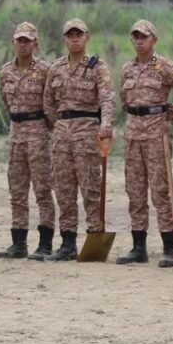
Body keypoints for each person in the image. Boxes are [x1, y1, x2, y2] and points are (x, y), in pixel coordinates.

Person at [42, 18, 115, 261]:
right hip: (62, 134)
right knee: (64, 189)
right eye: (70, 35)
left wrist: (105, 124)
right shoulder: (56, 68)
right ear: (64, 39)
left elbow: (107, 98)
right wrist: (60, 124)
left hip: (87, 132)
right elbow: (48, 103)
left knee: (90, 188)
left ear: (87, 37)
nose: (74, 39)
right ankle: (67, 243)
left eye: (79, 34)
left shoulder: (97, 67)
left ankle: (94, 236)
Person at [116, 20, 173, 265]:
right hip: (133, 135)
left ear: (154, 39)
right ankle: (138, 247)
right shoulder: (127, 69)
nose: (139, 41)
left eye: (144, 36)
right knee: (135, 191)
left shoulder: (165, 66)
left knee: (160, 192)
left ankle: (168, 247)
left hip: (156, 135)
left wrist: (172, 115)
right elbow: (125, 100)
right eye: (135, 36)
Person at [0, 22, 55, 261]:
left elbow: (51, 103)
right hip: (16, 133)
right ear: (13, 43)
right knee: (17, 190)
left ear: (35, 44)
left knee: (42, 189)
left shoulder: (45, 70)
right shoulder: (5, 72)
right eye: (19, 40)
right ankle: (18, 243)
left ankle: (45, 244)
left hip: (38, 132)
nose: (23, 44)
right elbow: (5, 101)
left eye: (27, 40)